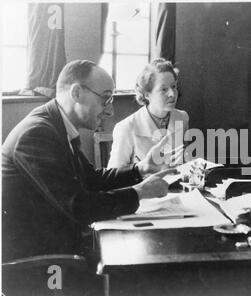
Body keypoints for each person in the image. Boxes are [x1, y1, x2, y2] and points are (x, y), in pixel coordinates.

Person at [2, 60, 176, 261]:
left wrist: (140, 169)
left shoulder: (55, 124)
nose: (110, 111)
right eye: (105, 99)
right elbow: (79, 206)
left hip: (53, 246)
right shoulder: (37, 134)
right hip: (33, 263)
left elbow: (90, 179)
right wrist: (140, 192)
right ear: (76, 93)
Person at [107, 58, 189, 169]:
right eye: (163, 89)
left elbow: (184, 161)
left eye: (173, 86)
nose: (172, 94)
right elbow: (115, 175)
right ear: (147, 94)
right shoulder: (126, 127)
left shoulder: (182, 117)